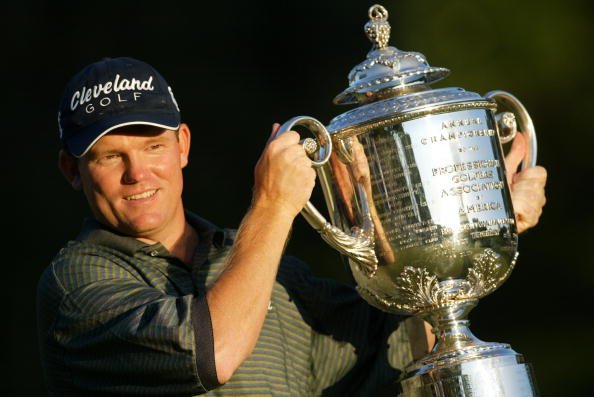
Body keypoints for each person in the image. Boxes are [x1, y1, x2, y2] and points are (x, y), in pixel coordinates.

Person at [37, 57, 547, 396]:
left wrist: (473, 218)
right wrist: (273, 205)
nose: (137, 174)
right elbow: (211, 352)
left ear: (183, 146)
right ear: (71, 171)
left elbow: (403, 340)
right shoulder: (77, 285)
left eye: (153, 147)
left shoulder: (263, 268)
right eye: (109, 156)